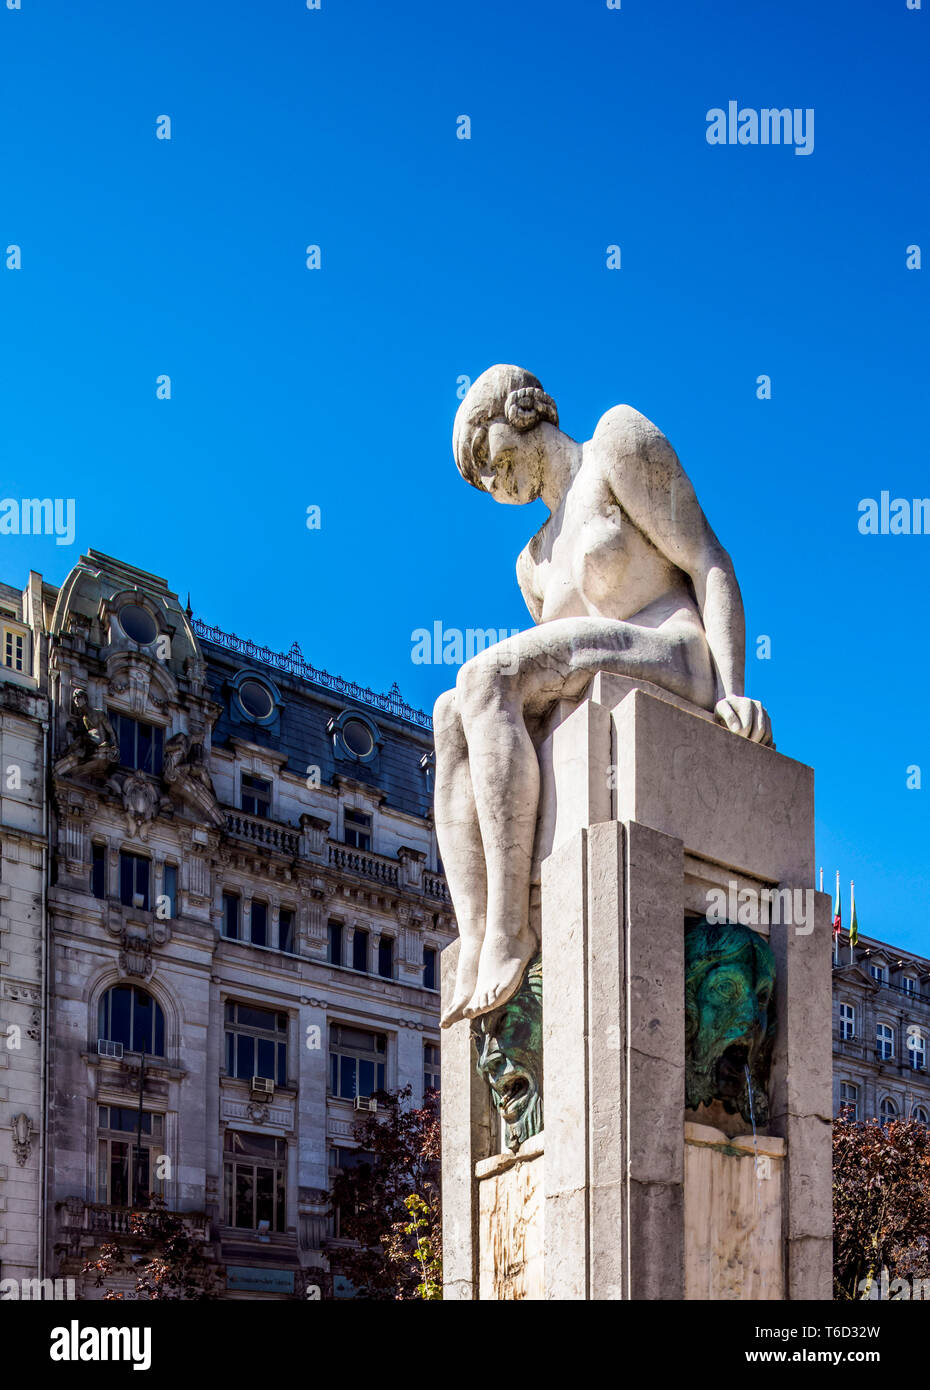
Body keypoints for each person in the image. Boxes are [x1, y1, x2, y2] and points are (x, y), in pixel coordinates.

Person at [436, 365, 772, 1027]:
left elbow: (708, 559)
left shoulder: (614, 442)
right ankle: (476, 933)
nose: (493, 483)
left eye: (487, 455)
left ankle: (510, 931)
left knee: (483, 677)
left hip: (677, 658)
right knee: (449, 713)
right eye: (479, 481)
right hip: (600, 687)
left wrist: (734, 691)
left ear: (524, 410)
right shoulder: (530, 563)